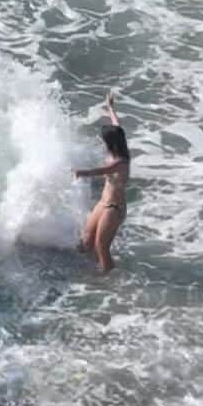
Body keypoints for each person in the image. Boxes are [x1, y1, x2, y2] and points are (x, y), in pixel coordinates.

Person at [73, 91, 130, 274]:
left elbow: (103, 171)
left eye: (104, 140)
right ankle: (85, 269)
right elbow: (117, 125)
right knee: (86, 241)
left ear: (111, 143)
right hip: (103, 203)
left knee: (101, 246)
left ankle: (109, 281)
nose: (102, 141)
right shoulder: (118, 143)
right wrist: (111, 108)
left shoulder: (121, 162)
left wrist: (82, 173)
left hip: (114, 208)